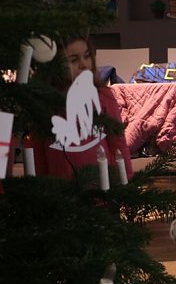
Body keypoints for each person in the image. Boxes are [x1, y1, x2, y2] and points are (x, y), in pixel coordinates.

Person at [32, 32, 133, 180]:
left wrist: (126, 179)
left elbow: (118, 143)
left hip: (103, 190)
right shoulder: (43, 104)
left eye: (87, 56)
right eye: (73, 60)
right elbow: (38, 153)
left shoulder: (103, 96)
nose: (84, 64)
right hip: (61, 193)